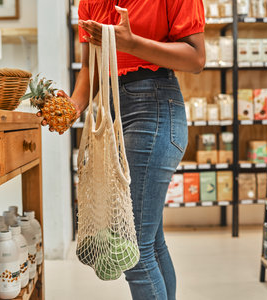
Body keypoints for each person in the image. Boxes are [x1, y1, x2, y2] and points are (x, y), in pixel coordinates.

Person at [39, 1, 205, 299]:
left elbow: (195, 58)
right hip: (114, 111)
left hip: (154, 107)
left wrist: (131, 43)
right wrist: (72, 107)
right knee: (151, 243)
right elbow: (91, 66)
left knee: (134, 251)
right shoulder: (90, 3)